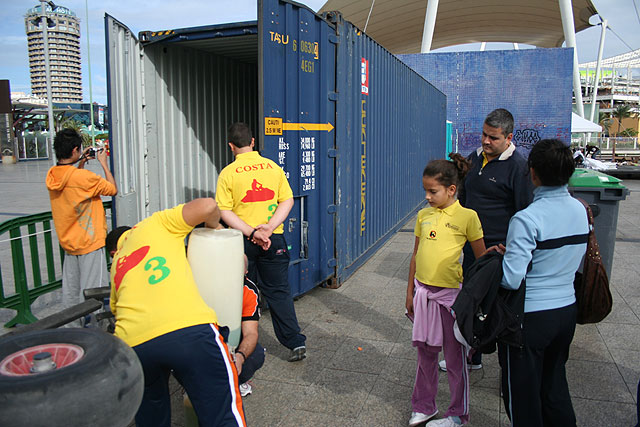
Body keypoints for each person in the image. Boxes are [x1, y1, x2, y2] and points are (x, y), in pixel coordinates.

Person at [105, 198, 246, 427]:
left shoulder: (118, 265)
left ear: (113, 251)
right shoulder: (154, 223)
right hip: (187, 330)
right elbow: (209, 206)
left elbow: (116, 310)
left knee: (152, 418)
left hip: (133, 346)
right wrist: (216, 228)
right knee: (220, 412)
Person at [495, 139, 588, 426]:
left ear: (532, 172)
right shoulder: (581, 210)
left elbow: (511, 279)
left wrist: (498, 262)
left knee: (522, 397)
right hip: (566, 313)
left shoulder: (526, 219)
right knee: (554, 386)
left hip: (530, 319)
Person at [441, 108, 533, 372]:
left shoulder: (519, 168)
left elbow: (524, 212)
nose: (485, 141)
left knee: (501, 310)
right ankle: (473, 358)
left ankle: (509, 372)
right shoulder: (474, 158)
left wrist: (512, 248)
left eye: (493, 137)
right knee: (471, 304)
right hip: (472, 248)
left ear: (509, 137)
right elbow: (465, 198)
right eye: (484, 135)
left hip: (498, 254)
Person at [406, 154, 486, 427]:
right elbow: (415, 256)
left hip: (451, 297)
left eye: (433, 191)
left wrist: (475, 301)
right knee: (425, 354)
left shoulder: (468, 217)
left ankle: (458, 414)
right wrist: (410, 293)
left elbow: (481, 259)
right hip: (423, 294)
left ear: (452, 189)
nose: (427, 196)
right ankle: (424, 405)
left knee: (454, 359)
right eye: (425, 191)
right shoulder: (423, 215)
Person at [215, 122, 306, 362]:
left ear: (231, 146)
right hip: (272, 239)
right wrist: (268, 228)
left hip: (242, 242)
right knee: (278, 291)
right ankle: (295, 342)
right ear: (253, 142)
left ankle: (237, 346)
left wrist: (251, 232)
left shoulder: (228, 173)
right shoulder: (273, 168)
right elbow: (287, 201)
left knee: (241, 293)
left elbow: (224, 210)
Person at [46, 128, 117, 325]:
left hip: (69, 243)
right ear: (76, 149)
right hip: (90, 242)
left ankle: (71, 329)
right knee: (94, 293)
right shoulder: (85, 178)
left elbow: (71, 180)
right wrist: (103, 163)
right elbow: (112, 189)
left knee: (71, 293)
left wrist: (82, 162)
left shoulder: (52, 175)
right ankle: (96, 332)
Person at [235, 274, 265, 397]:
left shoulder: (248, 289)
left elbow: (251, 333)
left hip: (232, 338)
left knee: (255, 355)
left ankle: (238, 382)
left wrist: (240, 357)